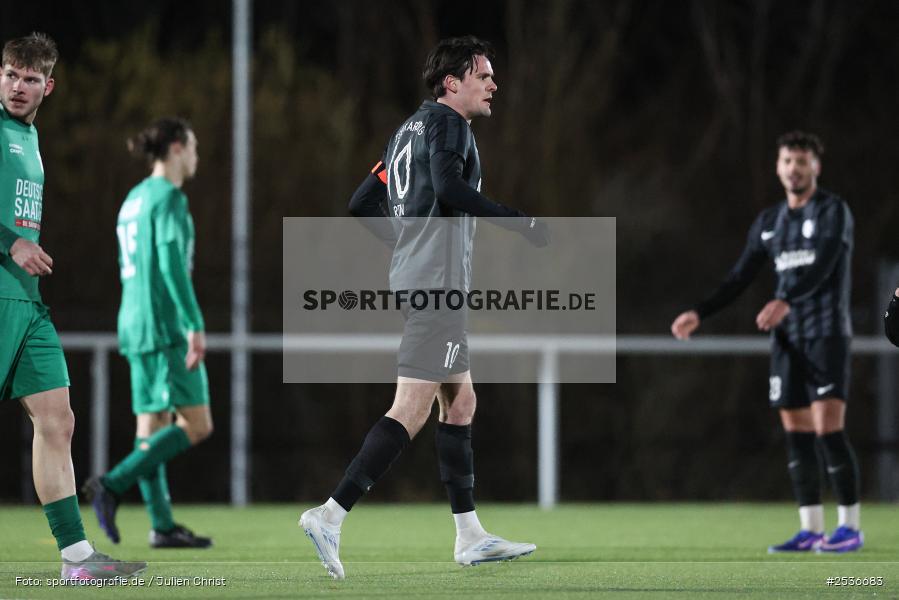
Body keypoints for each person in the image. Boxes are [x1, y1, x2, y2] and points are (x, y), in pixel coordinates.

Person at [299, 35, 547, 580]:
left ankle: (470, 535)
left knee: (460, 403)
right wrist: (519, 222)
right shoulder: (449, 124)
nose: (493, 84)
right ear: (452, 83)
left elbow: (361, 202)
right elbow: (451, 189)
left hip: (420, 278)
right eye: (483, 75)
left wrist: (407, 241)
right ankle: (330, 514)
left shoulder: (404, 131)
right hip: (437, 284)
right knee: (410, 409)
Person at [671, 131, 862, 553]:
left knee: (828, 430)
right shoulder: (770, 222)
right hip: (787, 341)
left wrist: (786, 300)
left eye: (802, 161)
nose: (794, 168)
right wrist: (700, 312)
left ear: (816, 167)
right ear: (779, 167)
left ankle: (849, 526)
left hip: (825, 333)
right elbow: (740, 277)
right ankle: (811, 528)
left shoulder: (833, 212)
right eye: (788, 161)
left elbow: (826, 266)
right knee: (795, 433)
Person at [0, 32, 147, 579]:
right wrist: (8, 240)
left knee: (58, 420)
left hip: (27, 301)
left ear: (48, 86)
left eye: (30, 78)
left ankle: (76, 559)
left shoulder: (29, 138)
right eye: (11, 74)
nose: (18, 86)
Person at [82, 117, 212, 549]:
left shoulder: (134, 198)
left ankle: (161, 525)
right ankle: (112, 484)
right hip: (163, 326)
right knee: (197, 423)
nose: (196, 155)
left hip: (132, 322)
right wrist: (193, 322)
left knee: (151, 427)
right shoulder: (169, 198)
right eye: (192, 146)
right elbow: (172, 261)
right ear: (176, 148)